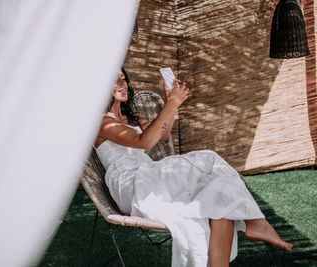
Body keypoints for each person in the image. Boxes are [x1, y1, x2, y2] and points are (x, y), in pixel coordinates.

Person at [94, 68, 292, 267]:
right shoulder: (100, 122)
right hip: (133, 185)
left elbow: (161, 135)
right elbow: (144, 142)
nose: (123, 84)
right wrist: (171, 103)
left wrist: (171, 102)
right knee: (209, 158)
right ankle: (255, 221)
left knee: (220, 191)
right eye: (115, 81)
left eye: (124, 79)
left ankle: (239, 242)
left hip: (151, 176)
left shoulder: (133, 117)